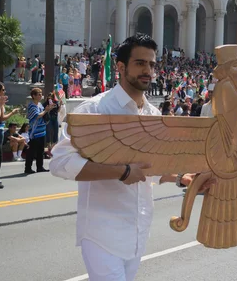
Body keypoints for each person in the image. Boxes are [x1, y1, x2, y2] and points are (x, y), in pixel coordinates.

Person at [50, 34, 212, 281]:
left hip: (138, 231)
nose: (148, 70)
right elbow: (60, 163)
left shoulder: (153, 113)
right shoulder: (94, 110)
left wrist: (183, 178)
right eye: (140, 63)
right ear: (121, 67)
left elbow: (151, 166)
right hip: (102, 234)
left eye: (151, 64)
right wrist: (121, 172)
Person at [25, 88, 54, 174]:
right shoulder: (32, 105)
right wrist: (46, 110)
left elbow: (43, 114)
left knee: (40, 150)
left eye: (41, 93)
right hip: (34, 131)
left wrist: (47, 110)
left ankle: (39, 167)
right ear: (33, 96)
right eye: (38, 94)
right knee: (32, 151)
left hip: (42, 130)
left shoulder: (40, 105)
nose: (41, 95)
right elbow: (37, 116)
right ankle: (28, 168)